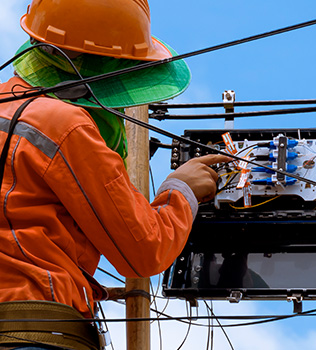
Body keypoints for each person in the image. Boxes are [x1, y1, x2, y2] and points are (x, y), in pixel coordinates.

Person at [0, 0, 229, 349]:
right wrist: (182, 189)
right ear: (99, 66)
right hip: (33, 335)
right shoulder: (65, 127)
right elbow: (143, 249)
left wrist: (92, 290)